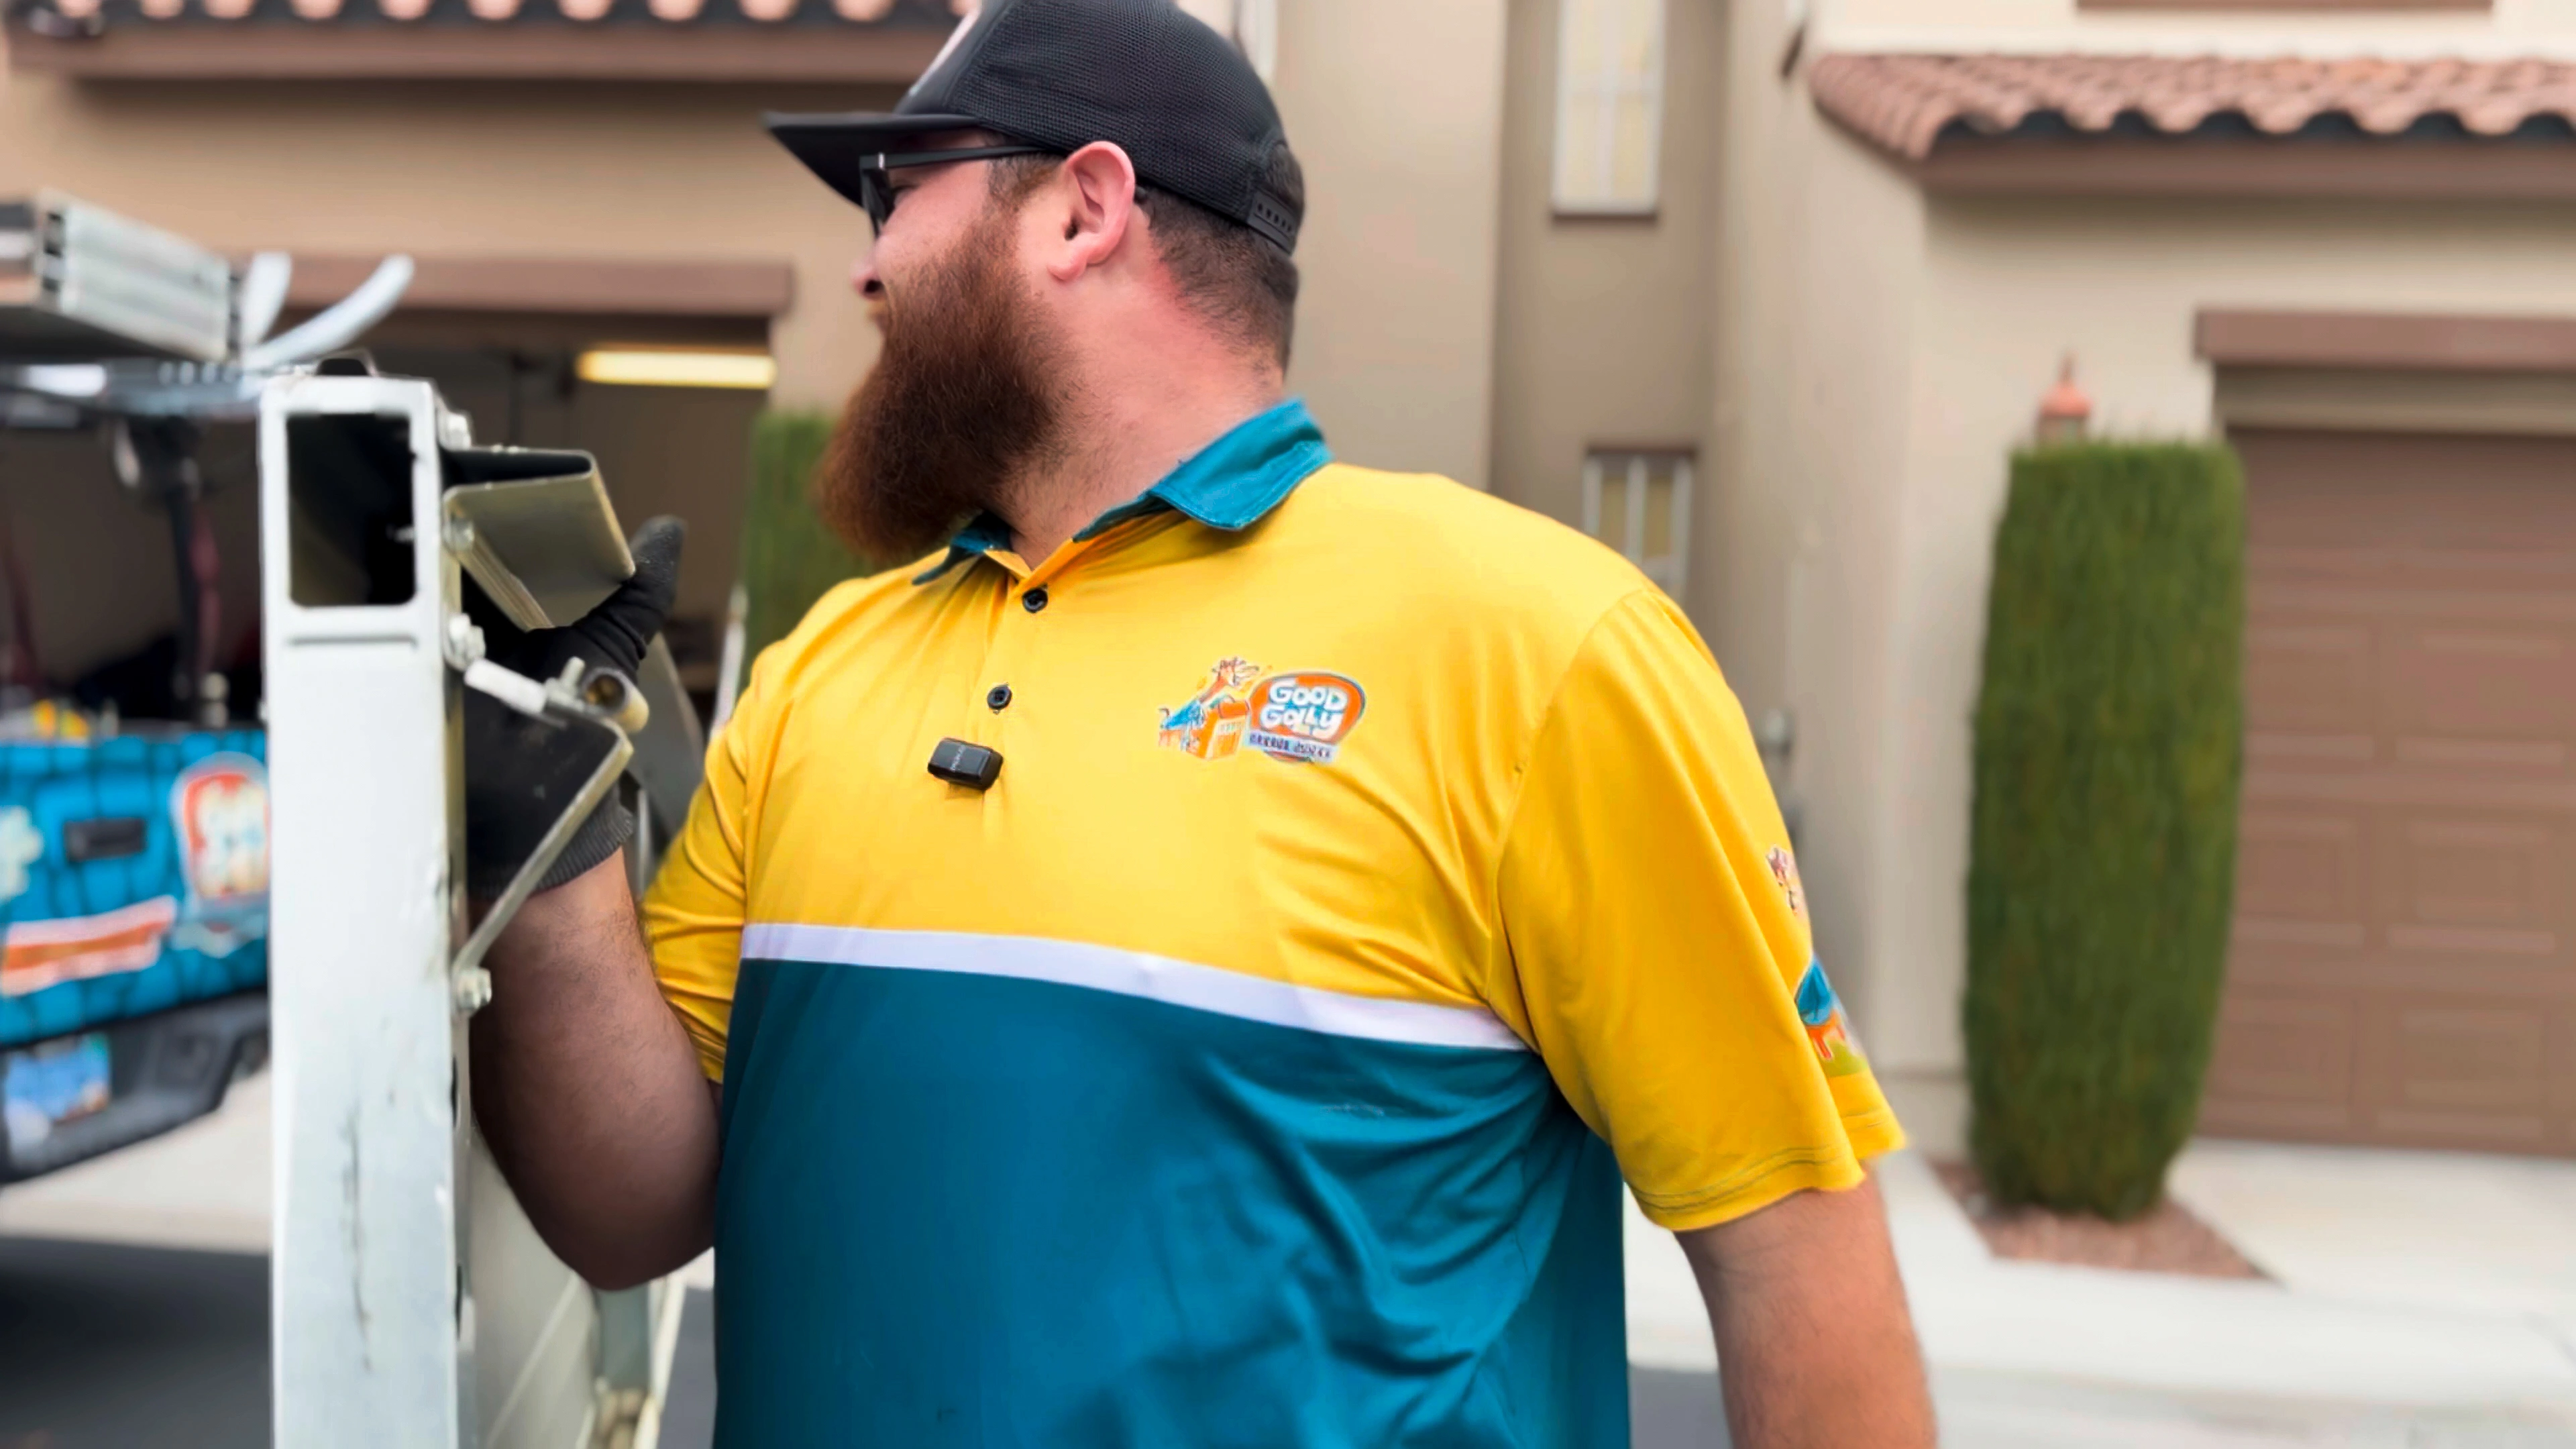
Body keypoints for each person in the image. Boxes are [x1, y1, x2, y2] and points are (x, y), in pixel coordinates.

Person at [466, 1, 1935, 1444]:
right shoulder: (820, 672)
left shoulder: (1543, 649)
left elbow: (1796, 1260)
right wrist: (544, 812)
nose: (866, 267)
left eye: (895, 193)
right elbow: (627, 1214)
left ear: (1083, 209)